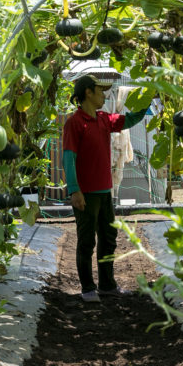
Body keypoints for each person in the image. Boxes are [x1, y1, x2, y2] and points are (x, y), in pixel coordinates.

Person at [62, 74, 150, 302]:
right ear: (88, 93)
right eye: (100, 91)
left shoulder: (103, 119)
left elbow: (128, 121)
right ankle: (88, 288)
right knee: (86, 240)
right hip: (86, 193)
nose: (104, 95)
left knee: (109, 237)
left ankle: (107, 285)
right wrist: (74, 190)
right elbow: (69, 158)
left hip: (104, 191)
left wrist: (147, 102)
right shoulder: (74, 123)